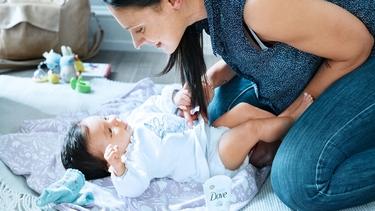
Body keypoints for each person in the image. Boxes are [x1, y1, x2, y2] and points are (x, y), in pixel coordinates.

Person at [101, 0, 375, 209]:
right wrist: (211, 78)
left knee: (296, 180)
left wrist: (291, 118)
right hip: (322, 48)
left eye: (138, 29)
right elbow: (252, 43)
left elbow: (358, 46)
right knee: (219, 120)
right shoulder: (203, 11)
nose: (136, 43)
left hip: (363, 53)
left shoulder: (260, 8)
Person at [61, 86, 313, 197]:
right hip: (211, 159)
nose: (115, 120)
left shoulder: (136, 118)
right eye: (109, 130)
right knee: (251, 129)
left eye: (107, 118)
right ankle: (291, 119)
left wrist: (175, 97)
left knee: (244, 110)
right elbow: (131, 188)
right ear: (112, 155)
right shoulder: (135, 162)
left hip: (207, 132)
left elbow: (158, 102)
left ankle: (278, 127)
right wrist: (119, 169)